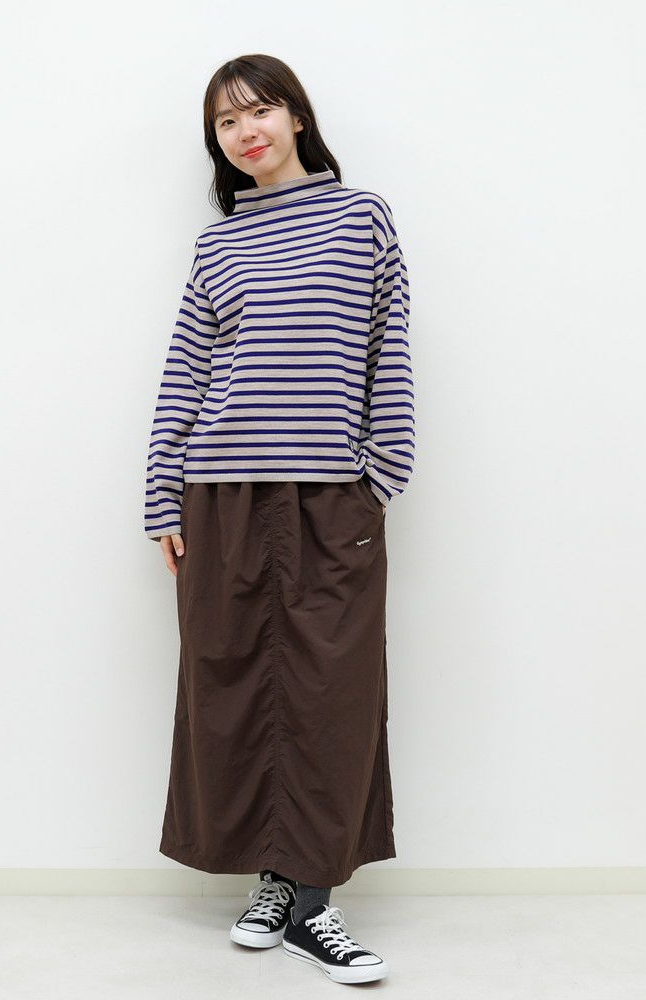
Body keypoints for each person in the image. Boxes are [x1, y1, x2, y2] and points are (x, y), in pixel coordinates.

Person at [143, 53, 414, 985]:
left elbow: (388, 350)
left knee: (331, 695)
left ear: (297, 117)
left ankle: (311, 904)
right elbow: (186, 371)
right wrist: (161, 494)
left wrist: (380, 478)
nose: (245, 131)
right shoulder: (218, 246)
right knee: (234, 690)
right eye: (226, 122)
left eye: (259, 110)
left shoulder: (362, 216)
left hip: (331, 495)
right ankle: (278, 886)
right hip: (220, 494)